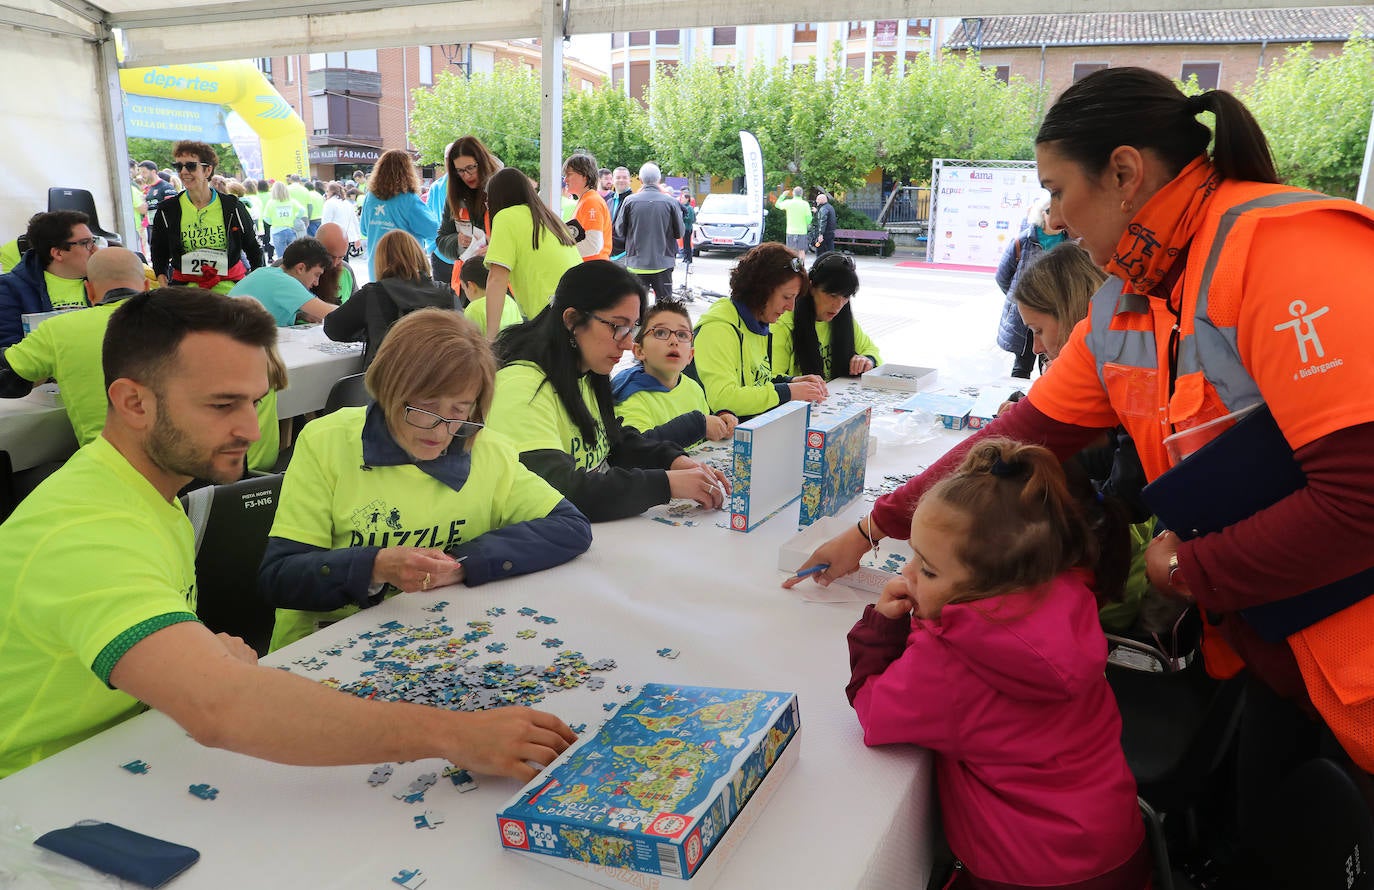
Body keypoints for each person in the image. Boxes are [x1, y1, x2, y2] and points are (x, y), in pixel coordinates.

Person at [791, 65, 1374, 771]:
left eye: (1057, 191)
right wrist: (872, 527)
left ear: (1124, 172)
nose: (1055, 219)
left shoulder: (1287, 251)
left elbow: (1361, 497)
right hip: (1277, 650)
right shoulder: (1131, 297)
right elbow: (1017, 434)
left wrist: (1191, 565)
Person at [0, 287, 577, 780]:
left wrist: (192, 654)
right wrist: (454, 735)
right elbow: (220, 708)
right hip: (41, 797)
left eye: (256, 401)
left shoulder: (143, 493)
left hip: (138, 754)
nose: (252, 430)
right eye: (223, 404)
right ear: (132, 402)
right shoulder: (87, 527)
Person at [847, 439, 1149, 889]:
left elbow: (875, 713)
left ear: (985, 585)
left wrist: (882, 631)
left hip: (1026, 873)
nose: (907, 574)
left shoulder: (948, 665)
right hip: (1116, 848)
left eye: (927, 569)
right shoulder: (1067, 593)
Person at [260, 308, 591, 650]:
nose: (441, 430)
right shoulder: (326, 442)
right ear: (389, 390)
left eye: (459, 410)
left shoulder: (487, 450)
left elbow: (570, 527)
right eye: (425, 408)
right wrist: (375, 567)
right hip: (323, 646)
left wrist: (465, 563)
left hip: (439, 642)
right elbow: (280, 577)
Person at [486, 261, 728, 522]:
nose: (627, 343)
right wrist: (667, 484)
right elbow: (558, 490)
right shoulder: (521, 386)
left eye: (632, 327)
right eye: (617, 326)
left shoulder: (585, 372)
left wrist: (674, 461)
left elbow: (614, 442)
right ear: (572, 320)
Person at [0, 247, 148, 445]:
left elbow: (9, 380)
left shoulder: (58, 329)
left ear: (90, 290)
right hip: (191, 463)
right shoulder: (187, 319)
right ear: (147, 286)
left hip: (111, 462)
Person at [691, 243, 828, 420]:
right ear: (760, 290)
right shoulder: (718, 329)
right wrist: (787, 392)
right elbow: (723, 398)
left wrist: (789, 382)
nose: (791, 307)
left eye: (794, 299)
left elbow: (754, 380)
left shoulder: (757, 321)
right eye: (786, 297)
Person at [611, 298, 737, 449]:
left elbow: (703, 435)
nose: (674, 341)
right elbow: (638, 449)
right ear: (639, 351)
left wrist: (721, 421)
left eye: (682, 335)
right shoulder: (630, 398)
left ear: (690, 355)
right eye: (661, 332)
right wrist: (698, 426)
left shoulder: (694, 388)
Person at [324, 230, 458, 367]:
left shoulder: (373, 294)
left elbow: (332, 328)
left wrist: (367, 330)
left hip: (388, 380)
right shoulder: (447, 293)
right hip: (441, 378)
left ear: (381, 261)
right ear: (419, 255)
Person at [148, 140, 262, 293]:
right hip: (185, 294)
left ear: (208, 170)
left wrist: (256, 285)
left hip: (231, 290)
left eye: (190, 166)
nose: (183, 172)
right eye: (178, 166)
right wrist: (164, 284)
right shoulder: (167, 210)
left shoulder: (232, 206)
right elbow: (158, 252)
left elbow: (253, 248)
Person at [481, 167, 581, 339]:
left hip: (552, 313)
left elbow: (497, 279)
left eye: (488, 202)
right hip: (580, 309)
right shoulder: (548, 216)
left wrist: (490, 337)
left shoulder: (505, 217)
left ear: (497, 199)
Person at [771, 251, 880, 380]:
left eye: (845, 296)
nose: (838, 305)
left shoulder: (842, 319)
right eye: (832, 295)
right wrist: (795, 384)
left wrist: (868, 360)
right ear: (811, 287)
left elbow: (872, 351)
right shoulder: (784, 324)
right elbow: (771, 378)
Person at [994, 197, 1068, 379]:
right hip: (1025, 320)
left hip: (1057, 316)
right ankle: (1017, 402)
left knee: (1052, 368)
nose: (1057, 215)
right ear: (1041, 213)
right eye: (1050, 210)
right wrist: (1024, 303)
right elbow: (1003, 277)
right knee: (1021, 369)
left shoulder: (1072, 242)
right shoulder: (1022, 241)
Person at [0, 211, 98, 347]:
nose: (95, 249)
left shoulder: (107, 280)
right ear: (57, 253)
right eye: (85, 243)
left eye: (93, 241)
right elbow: (8, 349)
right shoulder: (9, 289)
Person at [360, 150, 439, 282]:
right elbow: (433, 230)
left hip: (376, 271)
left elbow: (364, 229)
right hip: (405, 274)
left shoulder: (370, 197)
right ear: (408, 172)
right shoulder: (409, 200)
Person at [435, 136, 502, 287]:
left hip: (501, 283)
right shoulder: (454, 197)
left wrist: (496, 249)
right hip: (467, 287)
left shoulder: (503, 190)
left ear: (482, 162)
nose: (467, 175)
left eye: (471, 168)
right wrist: (457, 242)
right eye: (460, 171)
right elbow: (441, 239)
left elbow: (522, 238)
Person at [614, 163, 683, 304]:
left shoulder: (629, 201)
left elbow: (619, 231)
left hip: (636, 263)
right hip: (663, 263)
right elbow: (679, 232)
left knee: (636, 307)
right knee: (664, 307)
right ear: (659, 180)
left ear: (640, 179)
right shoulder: (671, 202)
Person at [229, 237, 336, 326]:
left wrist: (302, 314)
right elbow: (333, 315)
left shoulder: (264, 272)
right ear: (300, 268)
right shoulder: (286, 283)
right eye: (316, 275)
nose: (316, 282)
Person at [563, 153, 612, 262]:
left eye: (569, 174)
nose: (565, 180)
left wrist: (561, 249)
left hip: (593, 270)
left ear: (584, 175)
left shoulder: (591, 201)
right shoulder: (587, 200)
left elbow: (593, 246)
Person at [458, 254, 522, 336]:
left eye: (464, 288)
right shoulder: (508, 299)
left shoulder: (473, 309)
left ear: (471, 286)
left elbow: (471, 342)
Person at [313, 221, 357, 305]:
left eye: (341, 257)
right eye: (330, 256)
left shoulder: (346, 271)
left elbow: (356, 306)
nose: (334, 263)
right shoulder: (291, 268)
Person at [775, 187, 813, 258]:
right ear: (801, 194)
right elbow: (809, 218)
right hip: (802, 231)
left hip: (791, 230)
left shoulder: (788, 202)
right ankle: (801, 266)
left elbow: (777, 205)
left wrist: (783, 195)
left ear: (793, 193)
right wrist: (807, 224)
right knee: (801, 250)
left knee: (791, 251)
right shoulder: (805, 204)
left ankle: (792, 267)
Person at [607, 166, 633, 258]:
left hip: (627, 254)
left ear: (629, 180)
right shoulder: (609, 201)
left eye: (624, 177)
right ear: (613, 180)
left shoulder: (634, 202)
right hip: (609, 253)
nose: (621, 180)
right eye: (618, 177)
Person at [677, 191, 696, 267]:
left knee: (687, 244)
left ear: (687, 199)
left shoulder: (689, 208)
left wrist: (682, 218)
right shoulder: (684, 207)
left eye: (683, 198)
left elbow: (691, 219)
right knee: (685, 244)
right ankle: (685, 258)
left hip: (687, 228)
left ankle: (689, 259)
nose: (681, 199)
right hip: (684, 228)